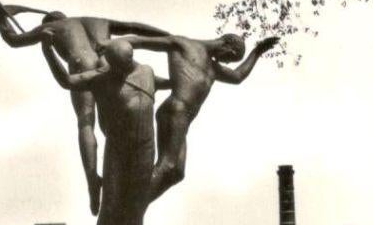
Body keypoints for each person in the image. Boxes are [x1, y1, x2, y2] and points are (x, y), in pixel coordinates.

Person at [0, 0, 168, 216]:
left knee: (86, 122)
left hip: (82, 65)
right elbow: (136, 28)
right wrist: (168, 36)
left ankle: (93, 181)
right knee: (111, 118)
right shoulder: (97, 20)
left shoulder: (51, 26)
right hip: (107, 60)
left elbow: (13, 39)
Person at [41, 34, 169, 225]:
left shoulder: (147, 72)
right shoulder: (102, 78)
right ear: (110, 63)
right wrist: (47, 49)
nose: (124, 70)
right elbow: (67, 81)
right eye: (119, 67)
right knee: (109, 210)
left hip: (145, 152)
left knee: (135, 213)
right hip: (118, 153)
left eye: (128, 63)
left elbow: (173, 83)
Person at [99, 31, 279, 203]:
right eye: (229, 58)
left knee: (177, 172)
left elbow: (238, 76)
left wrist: (258, 51)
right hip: (176, 111)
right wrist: (109, 44)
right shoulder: (183, 44)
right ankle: (130, 206)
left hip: (182, 118)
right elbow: (140, 41)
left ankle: (136, 204)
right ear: (227, 46)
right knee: (167, 165)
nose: (226, 62)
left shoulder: (213, 67)